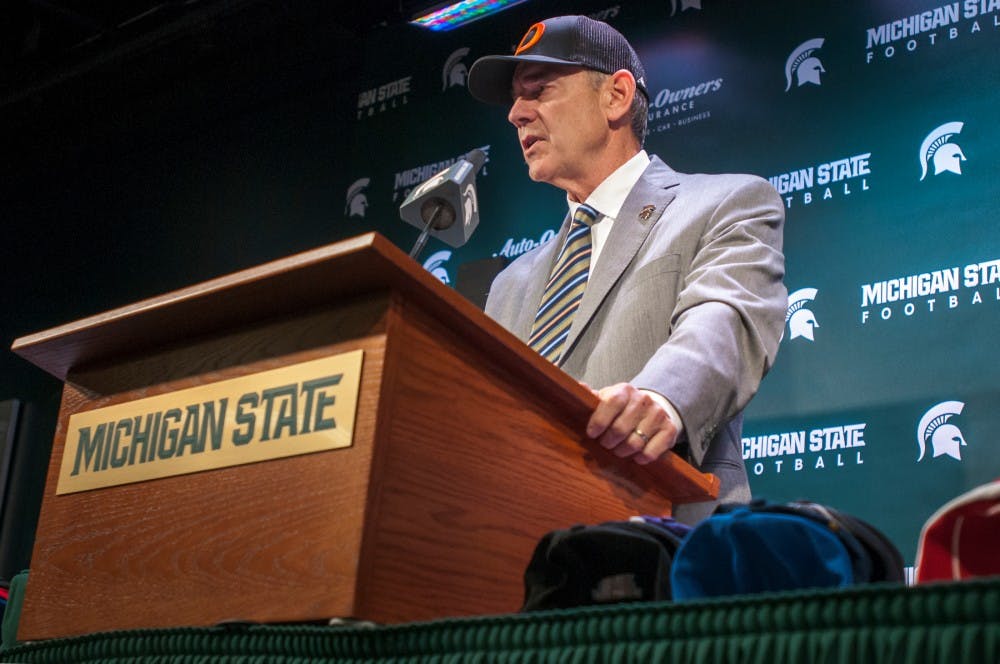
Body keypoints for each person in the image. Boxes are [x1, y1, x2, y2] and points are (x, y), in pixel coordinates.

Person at [467, 15, 786, 523]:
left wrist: (660, 395)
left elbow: (725, 318)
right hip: (519, 551)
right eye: (514, 98)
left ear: (616, 96)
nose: (516, 114)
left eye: (539, 90)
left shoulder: (727, 203)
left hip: (665, 546)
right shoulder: (510, 283)